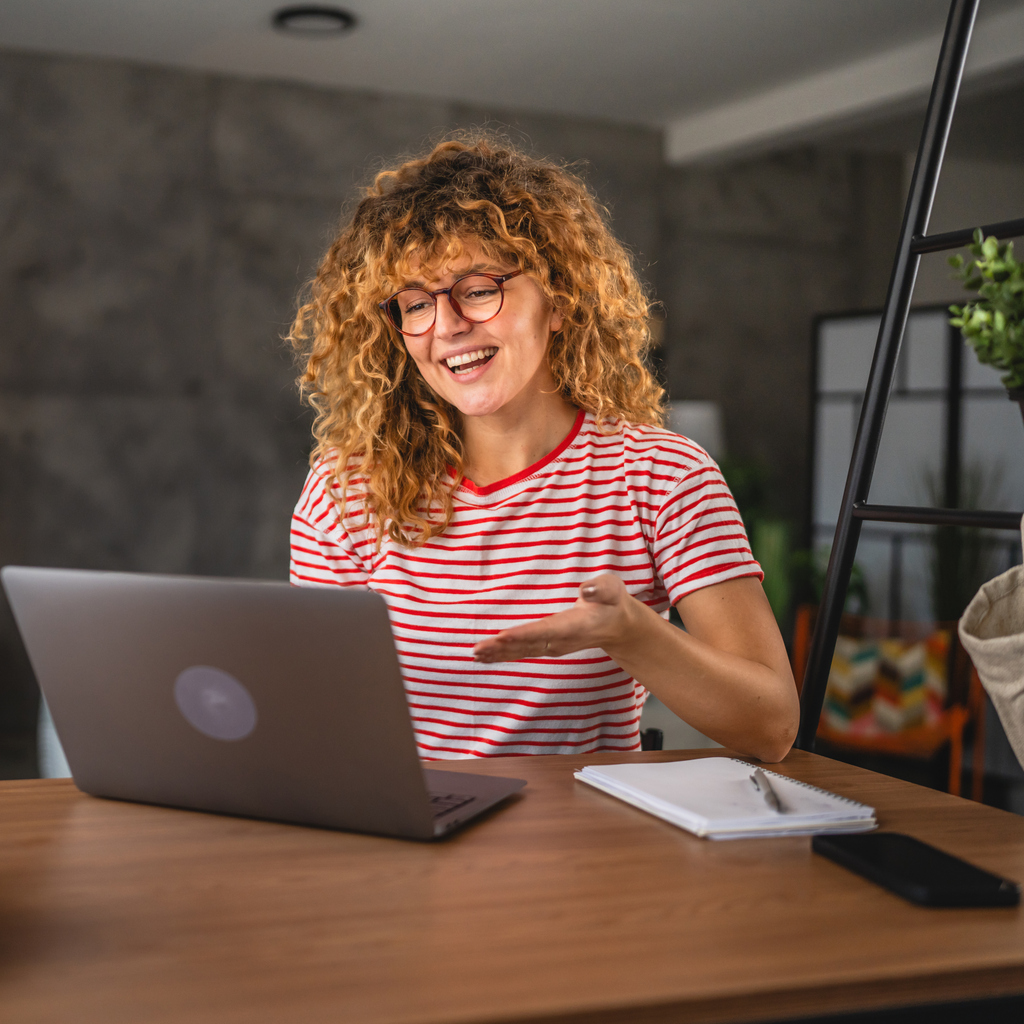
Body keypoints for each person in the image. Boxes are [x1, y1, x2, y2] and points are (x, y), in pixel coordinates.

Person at [288, 136, 799, 763]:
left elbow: (772, 727)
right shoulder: (347, 489)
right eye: (416, 304)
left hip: (581, 845)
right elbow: (319, 715)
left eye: (477, 289)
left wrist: (633, 634)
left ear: (558, 301)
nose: (446, 326)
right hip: (407, 835)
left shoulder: (662, 476)